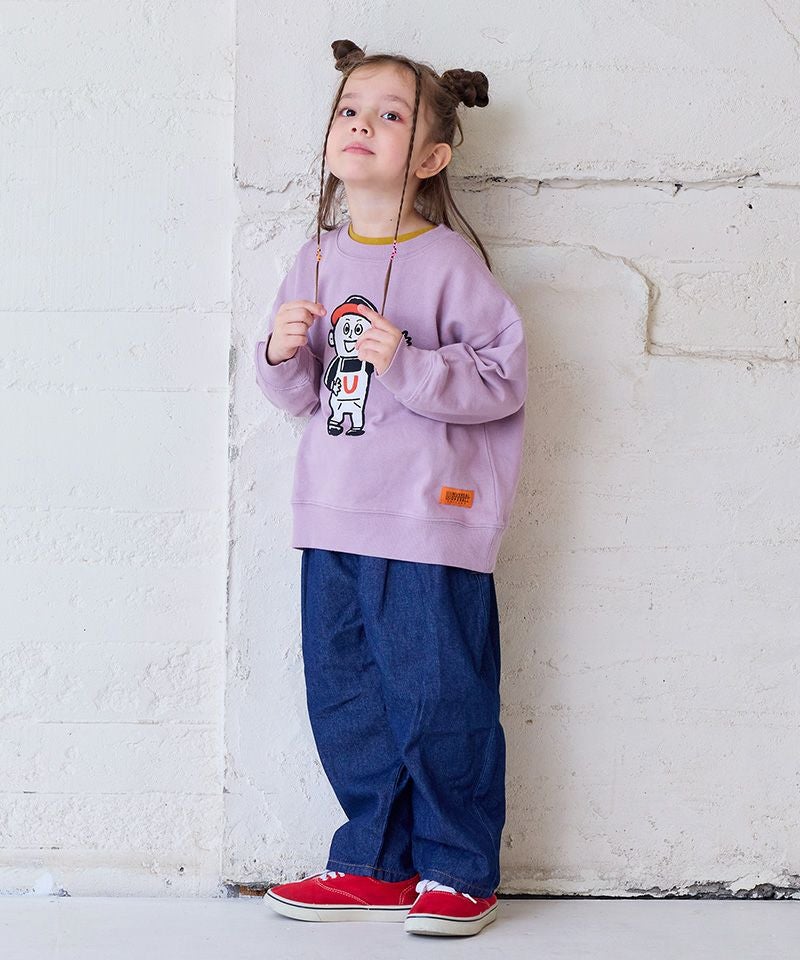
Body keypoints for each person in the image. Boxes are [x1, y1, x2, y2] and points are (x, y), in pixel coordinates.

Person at [255, 38, 528, 938]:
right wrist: (278, 354)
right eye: (349, 109)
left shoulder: (448, 263)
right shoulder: (316, 258)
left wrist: (406, 361)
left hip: (425, 520)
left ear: (431, 157)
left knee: (440, 695)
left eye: (389, 114)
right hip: (332, 514)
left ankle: (458, 869)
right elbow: (304, 398)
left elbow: (503, 380)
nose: (361, 124)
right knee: (348, 696)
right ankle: (374, 861)